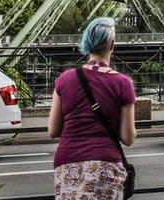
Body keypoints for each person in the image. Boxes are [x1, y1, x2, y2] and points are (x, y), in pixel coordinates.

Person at [50, 16, 137, 200]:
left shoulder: (64, 80)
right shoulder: (123, 83)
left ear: (86, 43)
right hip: (105, 164)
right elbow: (128, 138)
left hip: (67, 164)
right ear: (112, 45)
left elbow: (53, 130)